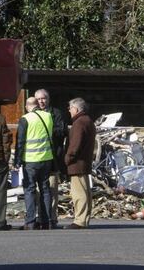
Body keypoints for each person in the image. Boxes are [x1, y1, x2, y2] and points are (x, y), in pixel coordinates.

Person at [14, 97, 54, 230]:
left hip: (30, 160)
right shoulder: (48, 116)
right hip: (47, 158)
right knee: (45, 189)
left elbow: (20, 141)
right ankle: (46, 221)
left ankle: (30, 221)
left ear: (27, 106)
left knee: (30, 190)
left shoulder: (25, 119)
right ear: (37, 105)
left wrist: (17, 161)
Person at [34, 89, 68, 228]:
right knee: (37, 191)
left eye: (44, 98)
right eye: (39, 99)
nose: (41, 101)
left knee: (52, 189)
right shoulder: (32, 115)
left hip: (53, 159)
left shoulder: (56, 113)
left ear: (48, 100)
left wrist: (47, 129)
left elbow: (62, 132)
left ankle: (52, 218)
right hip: (37, 158)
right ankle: (40, 217)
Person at [63, 98, 96, 229]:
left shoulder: (79, 123)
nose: (69, 110)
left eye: (70, 108)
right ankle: (84, 218)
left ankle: (80, 220)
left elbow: (75, 145)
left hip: (77, 163)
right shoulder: (88, 121)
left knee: (79, 193)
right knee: (85, 192)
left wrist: (67, 158)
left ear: (76, 109)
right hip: (85, 162)